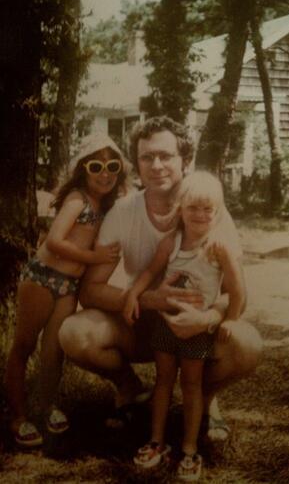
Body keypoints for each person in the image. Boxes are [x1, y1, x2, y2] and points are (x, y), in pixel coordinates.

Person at [58, 116, 262, 442]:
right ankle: (130, 390)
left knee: (248, 344)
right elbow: (91, 290)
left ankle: (207, 401)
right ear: (137, 163)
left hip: (198, 327)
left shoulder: (210, 211)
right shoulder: (124, 212)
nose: (156, 165)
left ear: (185, 160)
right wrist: (150, 299)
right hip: (143, 325)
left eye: (165, 156)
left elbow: (238, 294)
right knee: (74, 333)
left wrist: (207, 317)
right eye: (146, 157)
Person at [5, 132, 127, 447]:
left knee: (53, 351)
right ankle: (18, 416)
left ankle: (46, 406)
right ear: (82, 169)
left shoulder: (106, 206)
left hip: (69, 285)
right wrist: (94, 257)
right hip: (43, 278)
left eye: (112, 166)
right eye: (96, 167)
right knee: (24, 345)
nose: (105, 173)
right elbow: (56, 242)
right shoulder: (77, 199)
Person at [123, 170, 245, 479]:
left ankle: (190, 449)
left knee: (191, 385)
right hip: (166, 322)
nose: (200, 215)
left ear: (217, 212)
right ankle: (156, 442)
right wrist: (135, 294)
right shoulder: (171, 242)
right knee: (163, 381)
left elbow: (237, 291)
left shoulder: (218, 248)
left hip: (196, 329)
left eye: (208, 209)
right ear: (181, 208)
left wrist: (227, 318)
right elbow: (150, 272)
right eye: (193, 207)